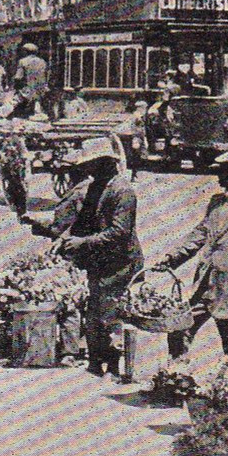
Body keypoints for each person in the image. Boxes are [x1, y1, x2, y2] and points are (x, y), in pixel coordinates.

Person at [157, 149, 228, 360]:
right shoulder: (216, 202)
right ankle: (175, 376)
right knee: (179, 328)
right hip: (206, 282)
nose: (218, 176)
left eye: (224, 171)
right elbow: (200, 234)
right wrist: (172, 258)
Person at [54, 138, 143, 378]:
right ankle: (96, 361)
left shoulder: (122, 191)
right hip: (99, 261)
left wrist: (82, 242)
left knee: (111, 312)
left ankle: (114, 365)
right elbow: (83, 222)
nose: (87, 170)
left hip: (120, 262)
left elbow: (119, 232)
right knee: (93, 310)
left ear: (106, 163)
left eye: (92, 165)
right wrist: (64, 239)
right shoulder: (96, 187)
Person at [11, 42, 49, 119]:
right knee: (36, 100)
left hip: (27, 89)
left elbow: (18, 77)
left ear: (26, 51)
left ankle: (3, 114)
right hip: (40, 89)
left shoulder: (23, 61)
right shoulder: (42, 62)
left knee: (15, 99)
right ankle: (37, 111)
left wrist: (15, 87)